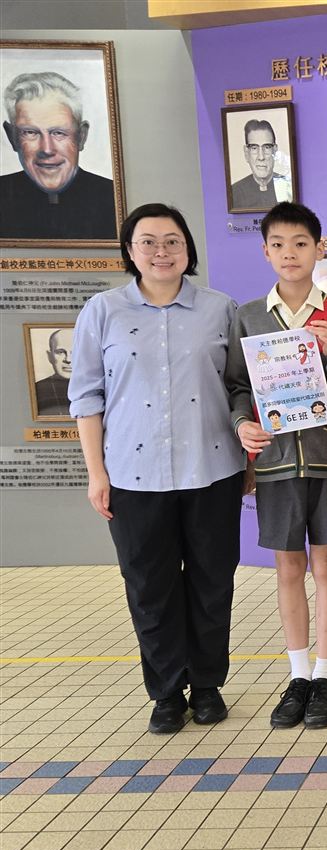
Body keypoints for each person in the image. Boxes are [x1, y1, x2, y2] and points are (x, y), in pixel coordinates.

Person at [69, 203, 245, 734]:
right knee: (149, 587)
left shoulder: (220, 308)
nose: (161, 251)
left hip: (212, 469)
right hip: (133, 475)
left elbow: (240, 387)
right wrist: (96, 473)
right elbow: (86, 398)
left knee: (212, 582)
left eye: (172, 241)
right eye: (148, 242)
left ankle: (207, 685)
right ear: (130, 250)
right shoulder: (103, 310)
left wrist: (249, 456)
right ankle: (167, 691)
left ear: (188, 249)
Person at [225, 202, 327, 730]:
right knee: (288, 568)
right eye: (278, 244)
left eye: (301, 243)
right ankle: (298, 675)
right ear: (265, 251)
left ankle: (326, 675)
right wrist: (242, 424)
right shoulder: (249, 317)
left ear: (319, 249)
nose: (290, 253)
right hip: (277, 461)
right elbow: (238, 385)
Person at [0, 71, 117, 241]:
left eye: (59, 133)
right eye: (30, 132)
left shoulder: (114, 198)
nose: (47, 149)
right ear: (12, 137)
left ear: (81, 136)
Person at [229, 119, 291, 211]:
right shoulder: (234, 192)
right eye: (254, 148)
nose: (261, 157)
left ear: (275, 151)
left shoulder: (289, 187)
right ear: (246, 153)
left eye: (267, 147)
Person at [33, 327, 72, 416]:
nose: (68, 359)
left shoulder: (97, 388)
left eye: (75, 352)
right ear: (50, 356)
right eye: (60, 352)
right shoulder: (37, 390)